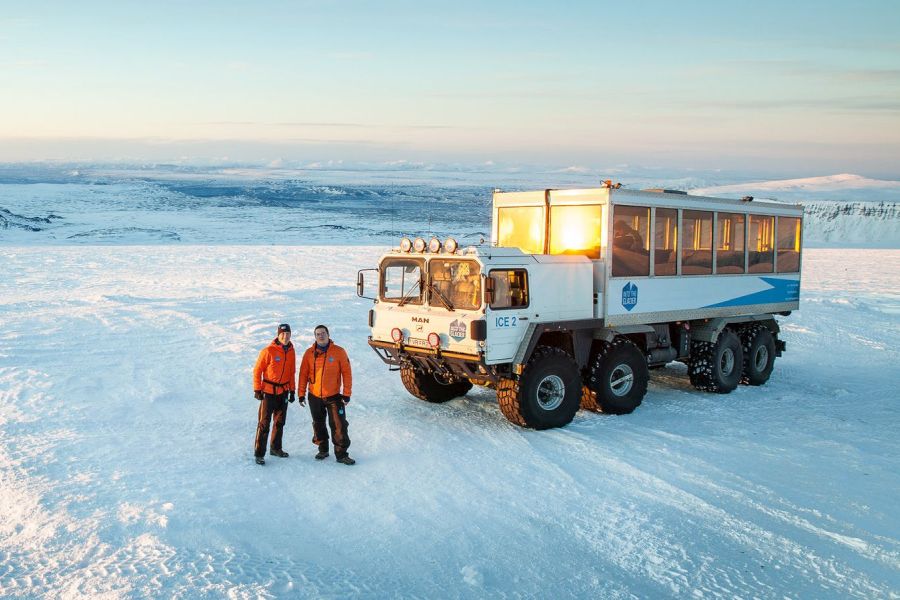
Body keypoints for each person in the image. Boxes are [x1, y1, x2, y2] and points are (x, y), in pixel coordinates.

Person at [297, 324, 355, 465]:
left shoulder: (339, 352)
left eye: (323, 333)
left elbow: (347, 373)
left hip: (334, 396)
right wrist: (301, 394)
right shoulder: (309, 353)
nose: (321, 336)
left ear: (328, 334)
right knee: (318, 424)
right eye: (318, 334)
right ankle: (323, 449)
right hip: (314, 396)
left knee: (339, 425)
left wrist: (346, 393)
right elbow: (303, 374)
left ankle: (341, 454)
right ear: (315, 337)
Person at [252, 323, 299, 465]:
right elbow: (257, 370)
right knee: (264, 423)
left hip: (283, 392)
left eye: (288, 334)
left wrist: (292, 391)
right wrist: (257, 389)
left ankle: (276, 448)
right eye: (282, 334)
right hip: (268, 392)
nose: (285, 336)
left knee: (280, 422)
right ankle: (259, 453)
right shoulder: (268, 351)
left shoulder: (291, 351)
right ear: (278, 335)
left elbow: (291, 372)